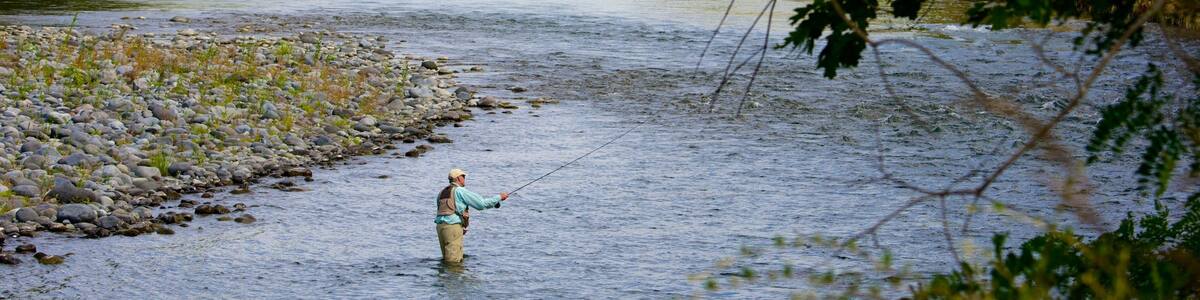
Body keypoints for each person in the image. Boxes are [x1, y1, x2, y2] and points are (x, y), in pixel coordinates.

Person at [435, 168, 508, 263]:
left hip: (440, 227)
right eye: (463, 176)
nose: (464, 179)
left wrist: (462, 226)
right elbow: (481, 204)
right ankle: (454, 277)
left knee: (446, 259)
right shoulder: (460, 191)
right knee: (453, 262)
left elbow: (444, 210)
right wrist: (499, 197)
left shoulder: (441, 193)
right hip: (452, 228)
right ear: (458, 178)